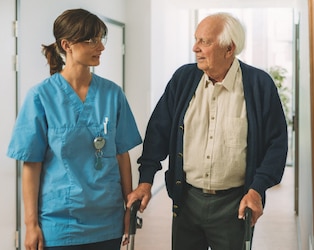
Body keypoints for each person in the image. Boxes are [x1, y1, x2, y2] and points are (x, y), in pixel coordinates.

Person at [126, 12, 288, 250]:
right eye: (196, 40)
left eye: (205, 41)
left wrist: (257, 189)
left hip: (235, 205)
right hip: (187, 201)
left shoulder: (259, 85)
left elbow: (277, 144)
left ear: (229, 48)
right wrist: (146, 181)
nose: (195, 48)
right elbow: (157, 133)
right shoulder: (183, 79)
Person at [7, 8, 142, 250]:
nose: (100, 47)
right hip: (59, 223)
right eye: (92, 40)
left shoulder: (112, 94)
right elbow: (31, 164)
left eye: (102, 38)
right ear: (66, 45)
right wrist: (31, 225)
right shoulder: (41, 96)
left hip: (107, 221)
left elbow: (122, 154)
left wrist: (128, 208)